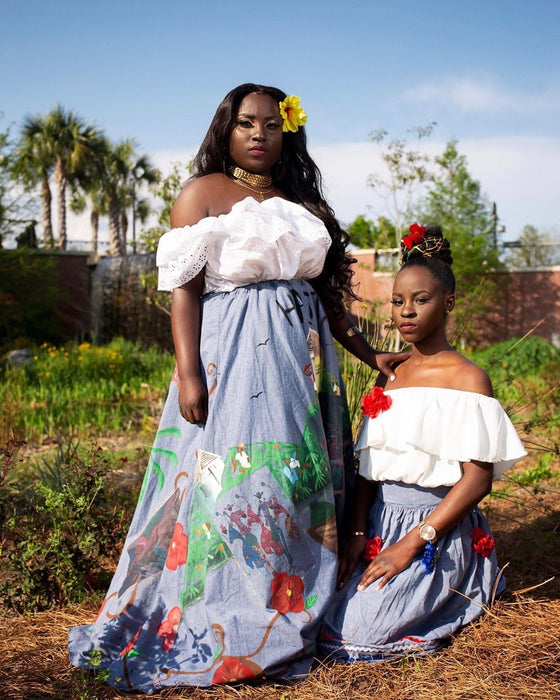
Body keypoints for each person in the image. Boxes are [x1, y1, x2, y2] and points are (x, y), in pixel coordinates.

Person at [68, 83, 407, 693]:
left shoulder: (301, 200)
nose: (259, 134)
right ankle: (232, 610)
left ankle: (293, 596)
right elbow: (185, 291)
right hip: (233, 356)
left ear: (288, 133)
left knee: (296, 474)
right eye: (247, 123)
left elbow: (329, 300)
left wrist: (366, 350)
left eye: (272, 125)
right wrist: (189, 371)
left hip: (303, 360)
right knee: (235, 475)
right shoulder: (200, 195)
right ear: (226, 129)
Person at [318, 224, 527, 662]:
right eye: (397, 301)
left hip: (434, 530)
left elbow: (476, 481)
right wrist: (359, 532)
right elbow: (369, 469)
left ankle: (458, 588)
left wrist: (412, 543)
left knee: (361, 634)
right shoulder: (389, 376)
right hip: (378, 523)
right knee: (317, 618)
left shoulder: (468, 379)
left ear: (448, 303)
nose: (405, 312)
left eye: (420, 300)